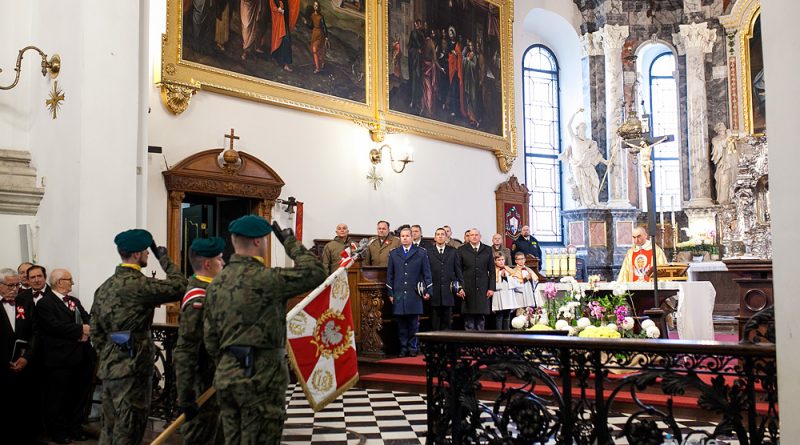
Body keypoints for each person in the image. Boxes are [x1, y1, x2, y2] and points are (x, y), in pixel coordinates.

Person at [204, 215, 325, 444]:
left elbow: (210, 339)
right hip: (262, 378)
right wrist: (291, 243)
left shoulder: (216, 284)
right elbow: (316, 272)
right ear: (259, 242)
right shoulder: (268, 278)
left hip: (227, 374)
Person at [91, 229, 187, 445]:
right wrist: (164, 258)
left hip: (110, 367)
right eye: (146, 251)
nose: (147, 255)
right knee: (129, 431)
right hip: (134, 369)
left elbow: (95, 331)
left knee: (109, 429)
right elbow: (180, 286)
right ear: (136, 254)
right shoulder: (139, 285)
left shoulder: (104, 287)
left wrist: (110, 353)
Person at [175, 237, 226, 445]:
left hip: (214, 383)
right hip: (201, 386)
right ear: (207, 264)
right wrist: (185, 396)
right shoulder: (198, 298)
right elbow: (186, 351)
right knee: (200, 438)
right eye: (220, 259)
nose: (223, 263)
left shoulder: (212, 292)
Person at [36, 268, 95, 444]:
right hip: (60, 359)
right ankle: (58, 432)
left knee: (79, 396)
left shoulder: (74, 301)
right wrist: (80, 330)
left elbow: (87, 319)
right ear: (59, 282)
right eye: (69, 279)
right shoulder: (45, 303)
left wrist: (86, 329)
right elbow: (54, 326)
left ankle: (75, 428)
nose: (72, 283)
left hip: (82, 356)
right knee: (59, 398)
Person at [0, 268, 38, 444]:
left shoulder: (26, 302)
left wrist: (26, 358)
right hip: (2, 367)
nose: (15, 289)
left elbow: (36, 333)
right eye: (10, 285)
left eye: (17, 285)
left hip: (24, 365)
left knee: (25, 406)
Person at [386, 227, 432, 356]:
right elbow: (390, 275)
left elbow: (427, 273)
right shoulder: (394, 253)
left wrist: (428, 290)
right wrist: (390, 293)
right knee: (401, 324)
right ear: (400, 238)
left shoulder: (421, 252)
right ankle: (403, 348)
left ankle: (413, 348)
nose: (405, 238)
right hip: (399, 294)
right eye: (402, 236)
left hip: (415, 294)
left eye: (407, 236)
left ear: (412, 237)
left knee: (413, 324)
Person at [559, 108, 609, 208]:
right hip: (577, 166)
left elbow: (595, 155)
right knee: (582, 186)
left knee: (595, 182)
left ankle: (596, 202)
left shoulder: (589, 142)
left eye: (585, 128)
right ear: (577, 130)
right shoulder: (574, 139)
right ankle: (585, 204)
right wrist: (575, 113)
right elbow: (568, 126)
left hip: (588, 166)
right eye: (581, 128)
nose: (583, 130)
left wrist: (605, 162)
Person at [456, 229, 495, 331]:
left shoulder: (487, 249)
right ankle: (469, 345)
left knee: (481, 319)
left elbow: (492, 271)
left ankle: (480, 344)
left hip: (483, 288)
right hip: (467, 288)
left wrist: (491, 288)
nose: (474, 237)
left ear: (480, 236)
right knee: (469, 320)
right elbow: (458, 270)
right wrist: (459, 287)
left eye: (476, 235)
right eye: (471, 235)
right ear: (468, 237)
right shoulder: (462, 249)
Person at [427, 228, 462, 331]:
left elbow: (458, 270)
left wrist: (461, 286)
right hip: (434, 291)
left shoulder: (453, 251)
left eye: (443, 234)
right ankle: (436, 346)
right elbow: (426, 271)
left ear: (446, 237)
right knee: (434, 322)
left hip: (448, 292)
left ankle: (447, 346)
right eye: (438, 234)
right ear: (435, 237)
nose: (440, 236)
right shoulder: (428, 252)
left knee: (447, 322)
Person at [711, 122, 741, 205]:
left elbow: (744, 134)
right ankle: (723, 201)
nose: (723, 125)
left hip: (732, 160)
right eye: (720, 124)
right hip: (723, 163)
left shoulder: (730, 135)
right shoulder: (715, 139)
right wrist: (728, 135)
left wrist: (732, 135)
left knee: (734, 180)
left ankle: (733, 199)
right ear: (717, 129)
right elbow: (721, 145)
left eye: (723, 124)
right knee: (724, 180)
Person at [492, 253, 521, 330]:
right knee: (499, 316)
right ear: (495, 261)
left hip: (508, 296)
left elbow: (516, 282)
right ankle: (499, 334)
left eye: (502, 260)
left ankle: (507, 333)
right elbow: (492, 284)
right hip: (499, 295)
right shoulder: (493, 271)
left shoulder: (509, 270)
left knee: (507, 316)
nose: (501, 262)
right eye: (499, 260)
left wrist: (506, 277)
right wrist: (501, 277)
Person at [421, 29, 444, 117]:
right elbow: (435, 59)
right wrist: (441, 68)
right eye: (433, 33)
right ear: (431, 35)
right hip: (429, 68)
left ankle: (424, 107)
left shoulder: (424, 43)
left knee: (425, 88)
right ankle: (429, 110)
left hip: (424, 67)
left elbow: (423, 55)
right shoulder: (431, 43)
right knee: (430, 89)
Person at [270, 0, 297, 71]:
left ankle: (283, 62)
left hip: (285, 16)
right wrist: (278, 7)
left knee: (285, 40)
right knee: (285, 39)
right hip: (280, 15)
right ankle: (284, 63)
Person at [302, 1, 329, 74]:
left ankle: (318, 68)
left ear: (319, 7)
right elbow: (311, 27)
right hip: (314, 33)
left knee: (315, 49)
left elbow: (324, 27)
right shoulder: (312, 15)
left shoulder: (321, 17)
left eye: (316, 6)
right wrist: (306, 23)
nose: (315, 7)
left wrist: (326, 37)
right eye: (314, 5)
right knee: (317, 51)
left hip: (320, 34)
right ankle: (321, 64)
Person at [407, 19, 425, 110]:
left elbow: (424, 48)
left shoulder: (422, 35)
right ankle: (413, 101)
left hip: (421, 62)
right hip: (414, 62)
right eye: (416, 24)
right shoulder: (412, 33)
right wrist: (415, 51)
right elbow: (409, 47)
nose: (417, 26)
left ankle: (419, 102)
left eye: (418, 24)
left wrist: (421, 51)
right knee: (414, 81)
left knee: (420, 82)